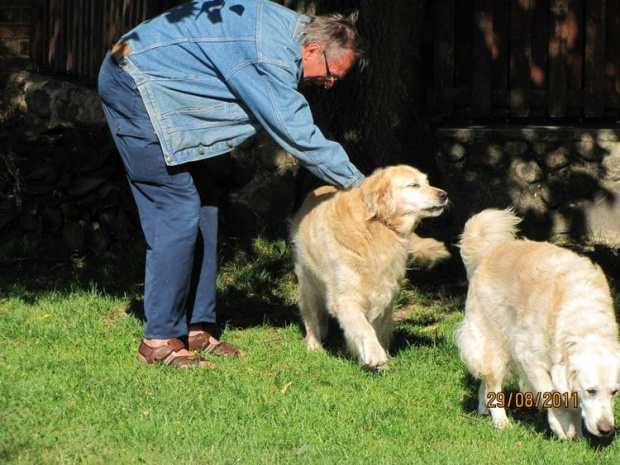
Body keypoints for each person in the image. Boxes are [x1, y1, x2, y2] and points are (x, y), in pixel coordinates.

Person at [98, 0, 366, 367]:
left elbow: (302, 119)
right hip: (134, 83)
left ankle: (196, 327)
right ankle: (159, 340)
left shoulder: (293, 36)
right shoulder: (267, 54)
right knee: (175, 209)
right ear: (314, 49)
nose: (330, 84)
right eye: (331, 74)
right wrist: (362, 187)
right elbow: (296, 132)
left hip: (166, 90)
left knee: (206, 205)